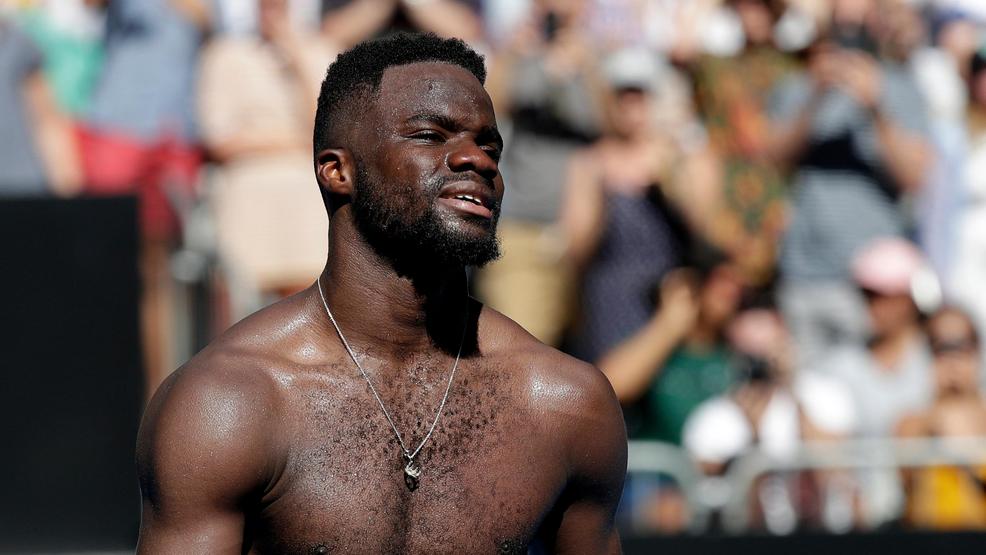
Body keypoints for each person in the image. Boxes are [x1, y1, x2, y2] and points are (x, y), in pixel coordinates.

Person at [136, 33, 627, 553]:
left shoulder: (564, 403)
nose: (477, 160)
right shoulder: (229, 403)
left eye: (489, 146)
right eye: (430, 135)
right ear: (337, 171)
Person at [768, 0, 933, 366]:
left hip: (874, 280)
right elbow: (774, 158)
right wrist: (815, 98)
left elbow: (916, 176)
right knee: (812, 391)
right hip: (806, 272)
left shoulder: (902, 86)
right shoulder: (796, 86)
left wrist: (876, 107)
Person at [199, 0, 336, 316]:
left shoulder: (321, 52)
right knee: (240, 305)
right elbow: (220, 140)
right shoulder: (224, 56)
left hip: (305, 194)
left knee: (308, 304)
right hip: (248, 191)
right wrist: (294, 141)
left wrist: (296, 56)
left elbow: (326, 129)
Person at [897, 306, 986, 530]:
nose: (952, 360)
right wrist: (935, 423)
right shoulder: (912, 423)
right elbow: (904, 481)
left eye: (963, 346)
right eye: (941, 348)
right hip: (931, 540)